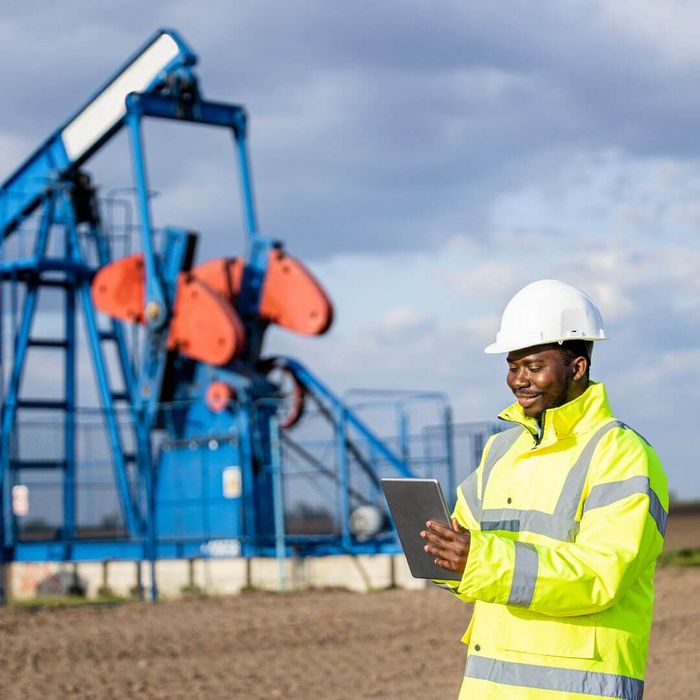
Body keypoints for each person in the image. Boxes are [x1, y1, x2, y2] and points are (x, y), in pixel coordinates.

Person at [421, 279, 668, 700]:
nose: (519, 380)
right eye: (512, 366)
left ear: (577, 368)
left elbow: (600, 576)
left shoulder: (622, 454)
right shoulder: (501, 451)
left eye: (533, 366)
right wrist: (440, 554)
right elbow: (465, 557)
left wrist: (477, 559)